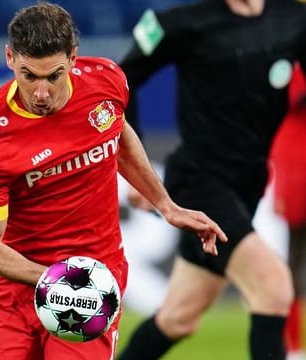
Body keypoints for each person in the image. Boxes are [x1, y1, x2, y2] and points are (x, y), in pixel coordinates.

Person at [0, 2, 227, 360]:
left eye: (53, 75)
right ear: (10, 58)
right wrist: (56, 280)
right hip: (14, 287)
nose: (41, 93)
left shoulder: (106, 81)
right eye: (29, 75)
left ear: (73, 57)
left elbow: (118, 133)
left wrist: (166, 205)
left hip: (92, 279)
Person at [116, 0, 306, 359]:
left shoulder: (294, 19)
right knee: (273, 285)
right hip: (200, 182)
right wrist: (135, 172)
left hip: (249, 184)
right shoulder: (182, 23)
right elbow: (121, 81)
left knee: (179, 317)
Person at [270, 63, 306, 360]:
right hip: (296, 175)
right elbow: (292, 95)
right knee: (292, 266)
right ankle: (293, 347)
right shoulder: (290, 64)